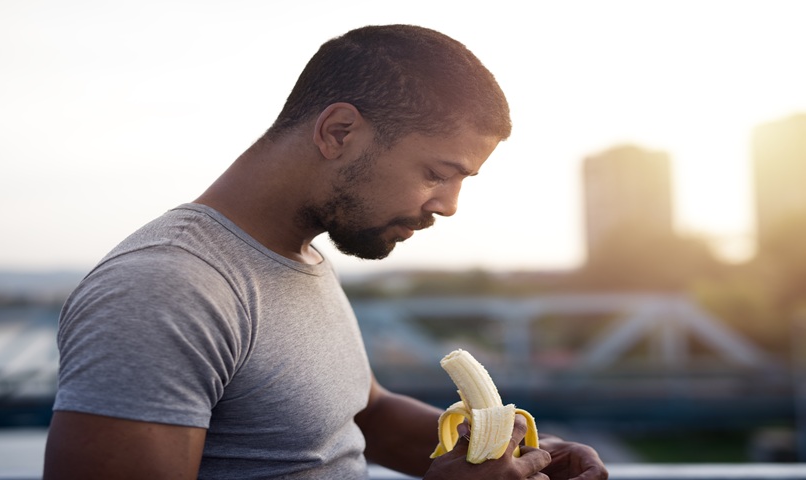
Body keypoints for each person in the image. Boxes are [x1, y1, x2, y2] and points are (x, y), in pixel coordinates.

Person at [43, 24, 608, 480]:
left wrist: (513, 457)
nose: (449, 206)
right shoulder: (166, 290)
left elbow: (363, 417)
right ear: (338, 132)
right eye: (438, 173)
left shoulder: (299, 257)